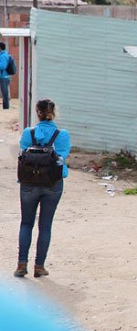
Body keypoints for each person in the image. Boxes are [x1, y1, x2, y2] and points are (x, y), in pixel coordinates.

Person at [15, 99, 71, 278]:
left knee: (26, 223)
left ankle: (21, 264)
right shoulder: (62, 135)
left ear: (37, 112)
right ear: (54, 113)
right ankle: (39, 267)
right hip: (53, 184)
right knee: (45, 226)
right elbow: (62, 156)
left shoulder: (27, 133)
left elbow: (23, 152)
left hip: (29, 183)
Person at [0, 42, 11, 109]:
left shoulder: (3, 55)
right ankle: (5, 106)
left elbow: (3, 66)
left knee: (5, 93)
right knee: (4, 92)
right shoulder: (3, 54)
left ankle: (6, 107)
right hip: (4, 76)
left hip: (4, 77)